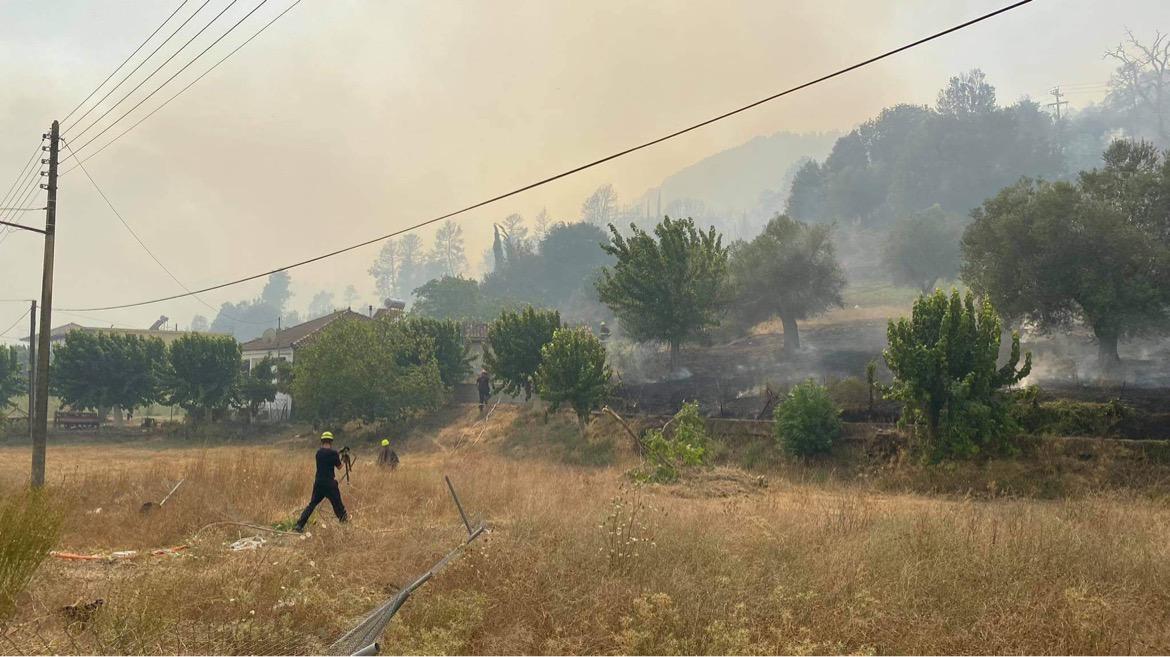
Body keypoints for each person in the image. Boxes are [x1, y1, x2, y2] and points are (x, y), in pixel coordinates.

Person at [294, 431, 348, 532]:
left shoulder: (318, 453)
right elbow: (340, 467)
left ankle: (299, 525)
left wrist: (338, 454)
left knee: (312, 505)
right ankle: (344, 523)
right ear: (331, 441)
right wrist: (344, 459)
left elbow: (327, 457)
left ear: (322, 441)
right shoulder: (334, 453)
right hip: (330, 484)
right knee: (338, 504)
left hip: (318, 483)